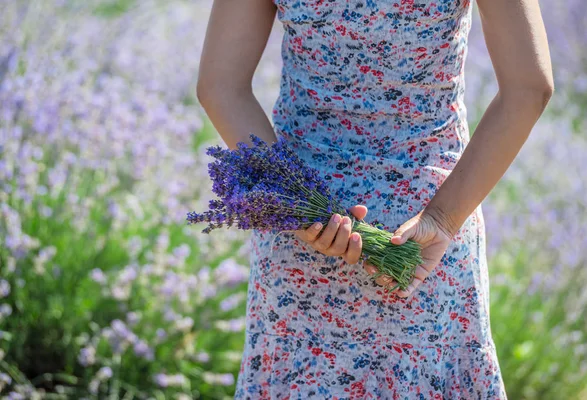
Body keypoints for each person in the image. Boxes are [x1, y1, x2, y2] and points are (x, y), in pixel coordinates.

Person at [196, 0, 553, 398]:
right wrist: (443, 219)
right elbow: (528, 87)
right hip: (420, 242)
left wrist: (295, 204)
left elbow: (219, 87)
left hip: (301, 232)